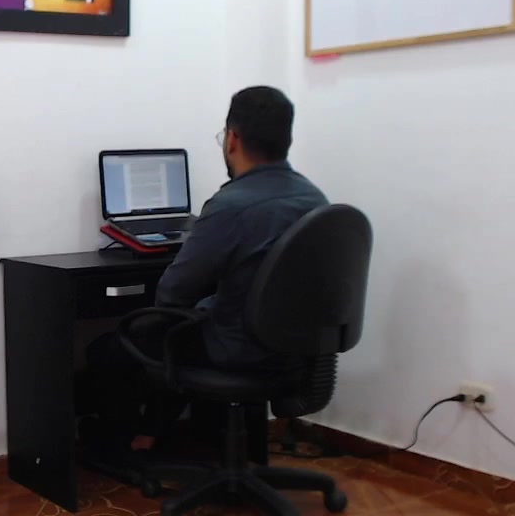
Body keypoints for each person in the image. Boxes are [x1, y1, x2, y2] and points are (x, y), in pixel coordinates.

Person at [81, 86, 329, 456]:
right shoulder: (315, 199)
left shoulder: (231, 205)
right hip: (294, 351)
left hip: (237, 350)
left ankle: (126, 447)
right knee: (180, 330)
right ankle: (154, 433)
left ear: (232, 139)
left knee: (115, 347)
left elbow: (173, 292)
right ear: (287, 139)